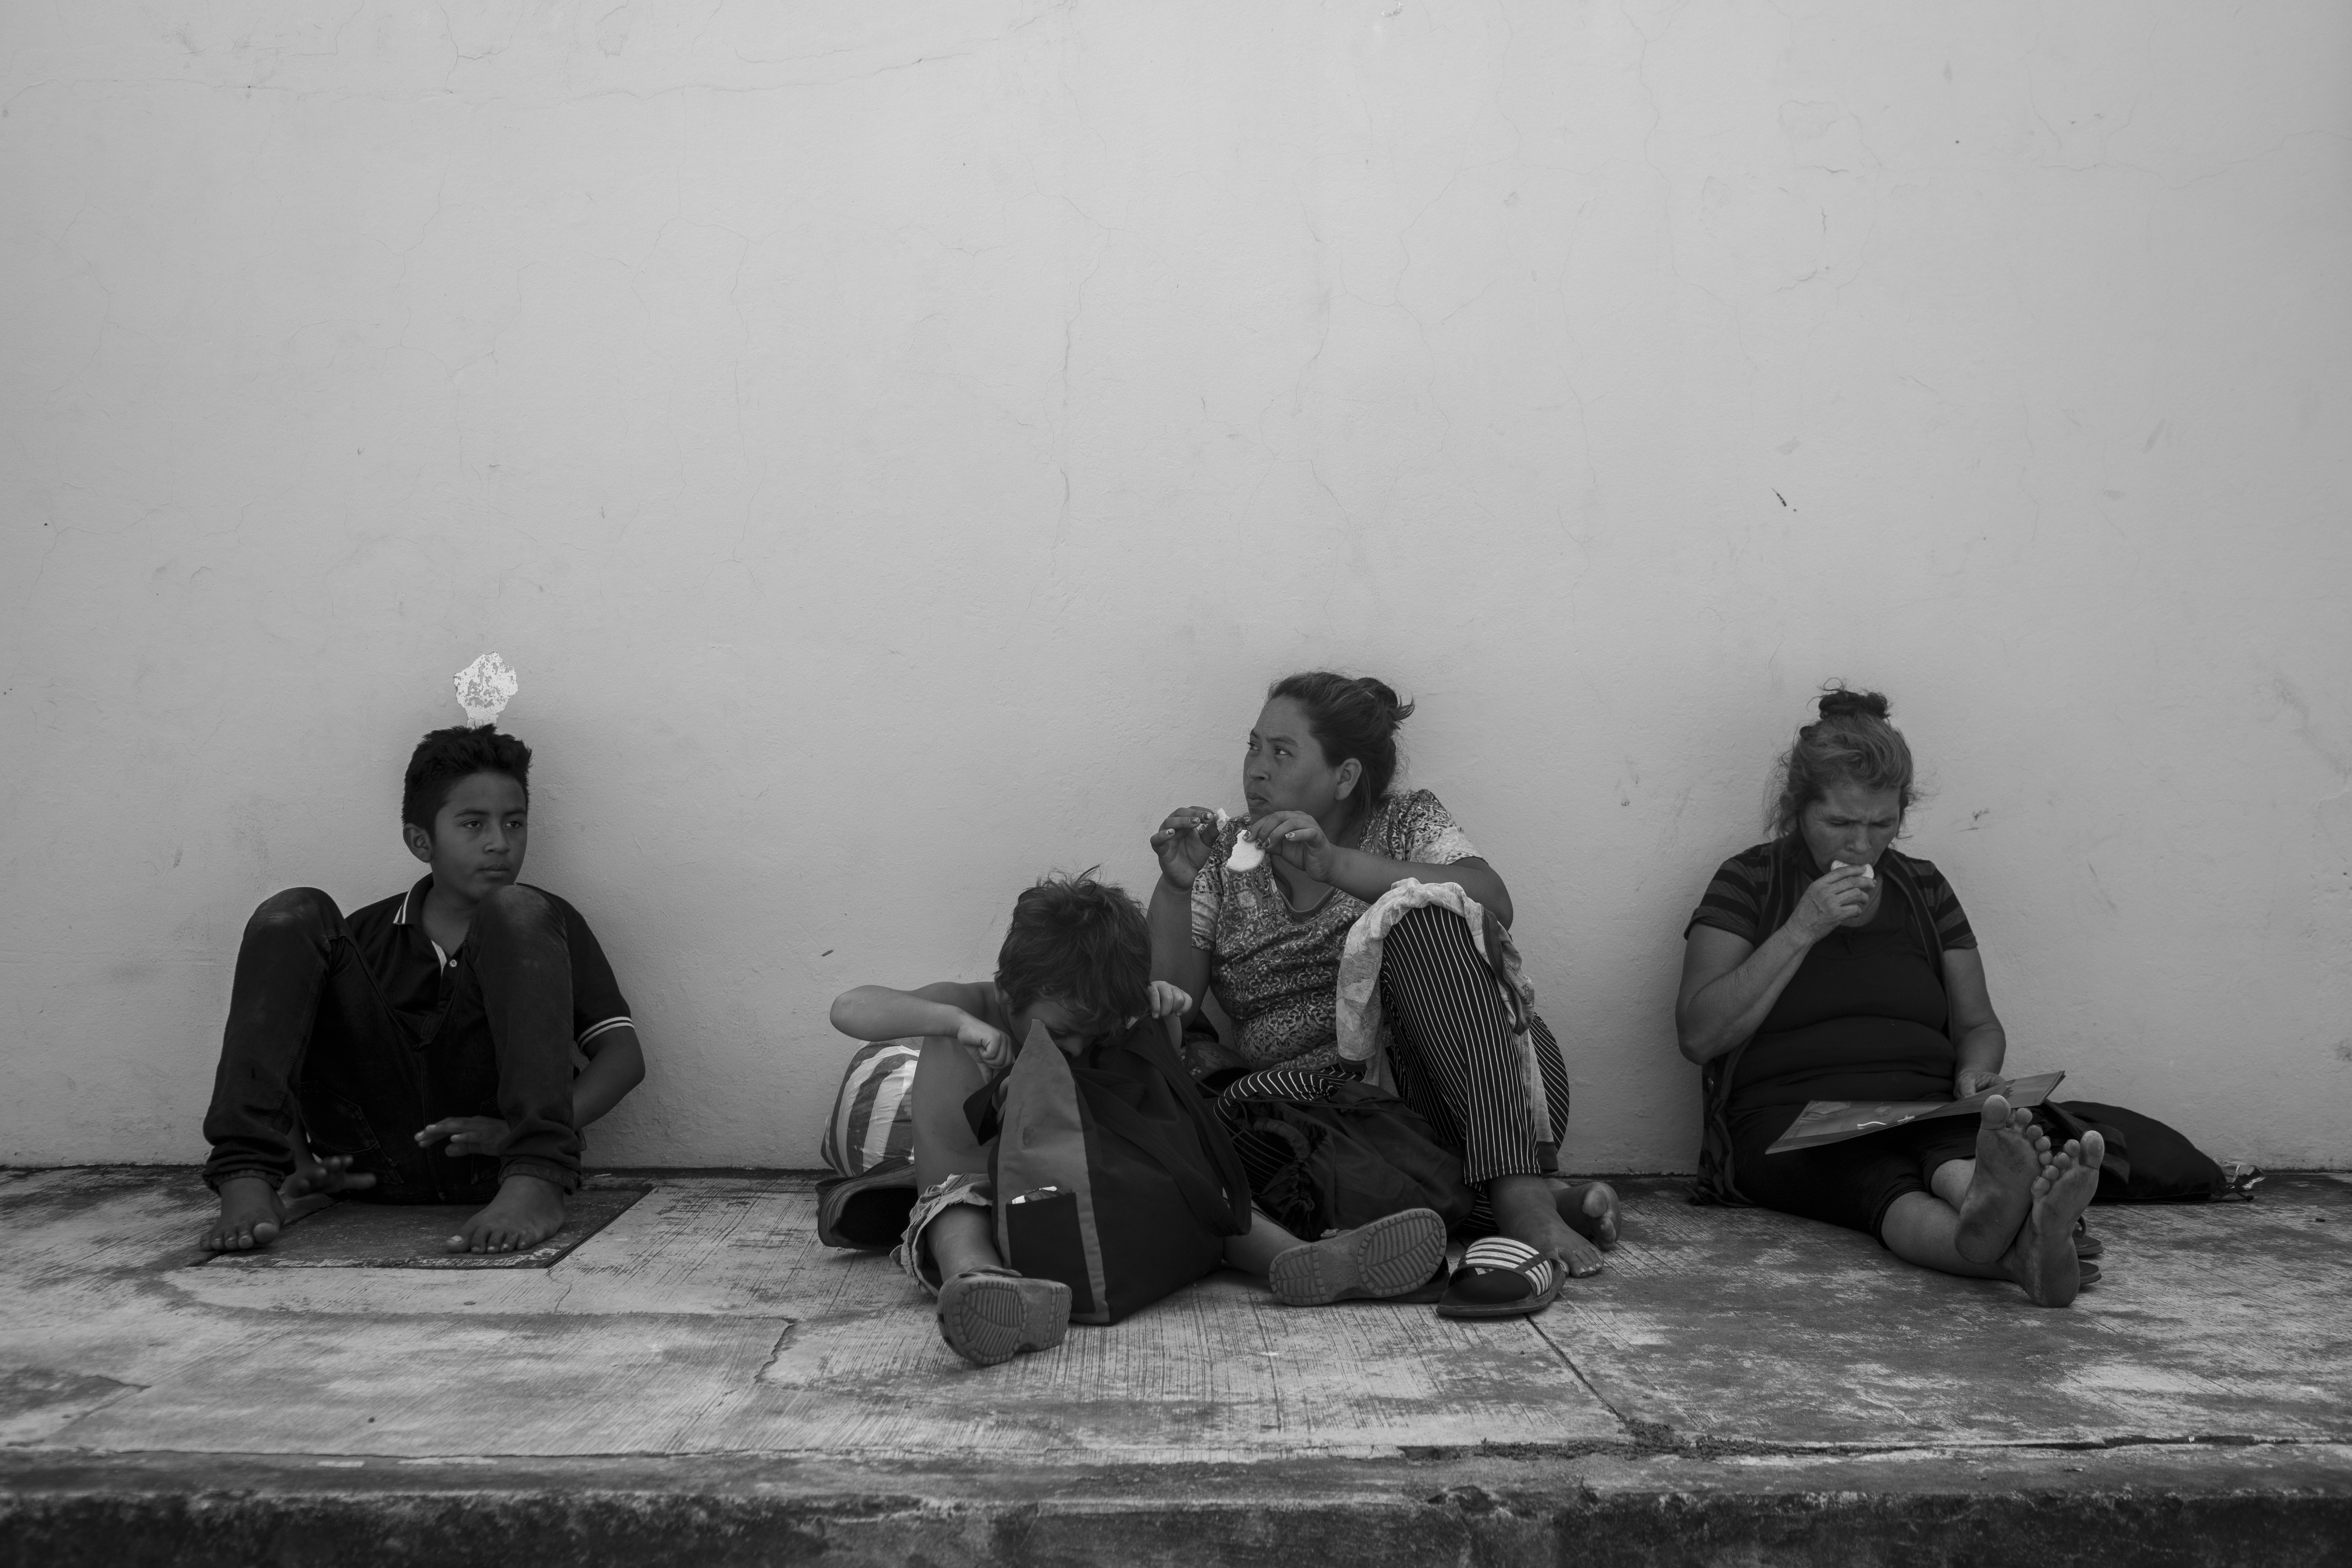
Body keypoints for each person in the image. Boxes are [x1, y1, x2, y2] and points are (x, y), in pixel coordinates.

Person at [832, 872, 1450, 1367]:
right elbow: (849, 1006)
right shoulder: (972, 1009)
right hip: (980, 1198)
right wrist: (953, 1024)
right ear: (1010, 989)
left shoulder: (1097, 1025)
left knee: (1202, 1194)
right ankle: (981, 1284)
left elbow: (1157, 1104)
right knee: (956, 1210)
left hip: (1087, 1195)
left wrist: (1163, 1013)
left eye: (1091, 1034)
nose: (1075, 1050)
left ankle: (1303, 1262)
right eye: (1065, 1032)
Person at [1148, 672, 1617, 1316]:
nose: (1256, 770)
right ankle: (1517, 1198)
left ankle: (1519, 1195)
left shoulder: (1404, 822)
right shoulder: (1226, 857)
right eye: (1253, 746)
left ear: (1344, 778)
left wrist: (1337, 866)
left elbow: (1493, 899)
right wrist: (1176, 888)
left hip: (1479, 1093)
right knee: (1236, 1123)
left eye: (1281, 753)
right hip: (1323, 1119)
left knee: (1423, 913)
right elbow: (1169, 1008)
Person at [1673, 687, 2102, 1306]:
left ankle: (2003, 1219)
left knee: (1948, 1148)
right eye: (1840, 824)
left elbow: (1978, 1025)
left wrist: (1978, 1073)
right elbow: (1699, 1035)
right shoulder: (1750, 881)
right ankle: (2025, 1245)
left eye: (1882, 825)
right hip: (1790, 1121)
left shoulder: (1924, 887)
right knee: (1878, 1179)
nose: (1861, 846)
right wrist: (1802, 928)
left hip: (1922, 1106)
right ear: (1798, 813)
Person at [198, 724, 646, 1256]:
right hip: (364, 1166)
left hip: (497, 1167)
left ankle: (538, 1180)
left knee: (519, 907)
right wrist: (301, 1164)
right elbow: (282, 1049)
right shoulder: (357, 939)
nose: (499, 843)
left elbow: (623, 1057)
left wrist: (516, 1132)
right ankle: (249, 1176)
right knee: (292, 912)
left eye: (515, 823)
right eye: (474, 824)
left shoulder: (543, 924)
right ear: (421, 841)